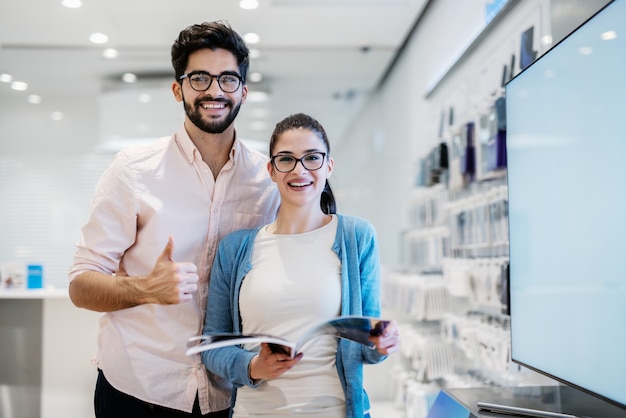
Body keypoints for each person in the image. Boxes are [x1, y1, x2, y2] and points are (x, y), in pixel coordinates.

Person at [68, 21, 280, 418]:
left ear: (244, 93)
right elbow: (81, 286)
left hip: (225, 390)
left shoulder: (266, 180)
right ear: (178, 89)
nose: (214, 91)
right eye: (199, 78)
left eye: (228, 79)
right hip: (137, 389)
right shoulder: (133, 170)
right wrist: (145, 288)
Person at [199, 113, 400, 418]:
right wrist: (253, 367)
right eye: (286, 159)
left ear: (328, 165)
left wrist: (381, 343)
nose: (299, 169)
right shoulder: (235, 248)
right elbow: (212, 345)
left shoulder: (356, 237)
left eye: (312, 158)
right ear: (271, 169)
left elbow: (364, 345)